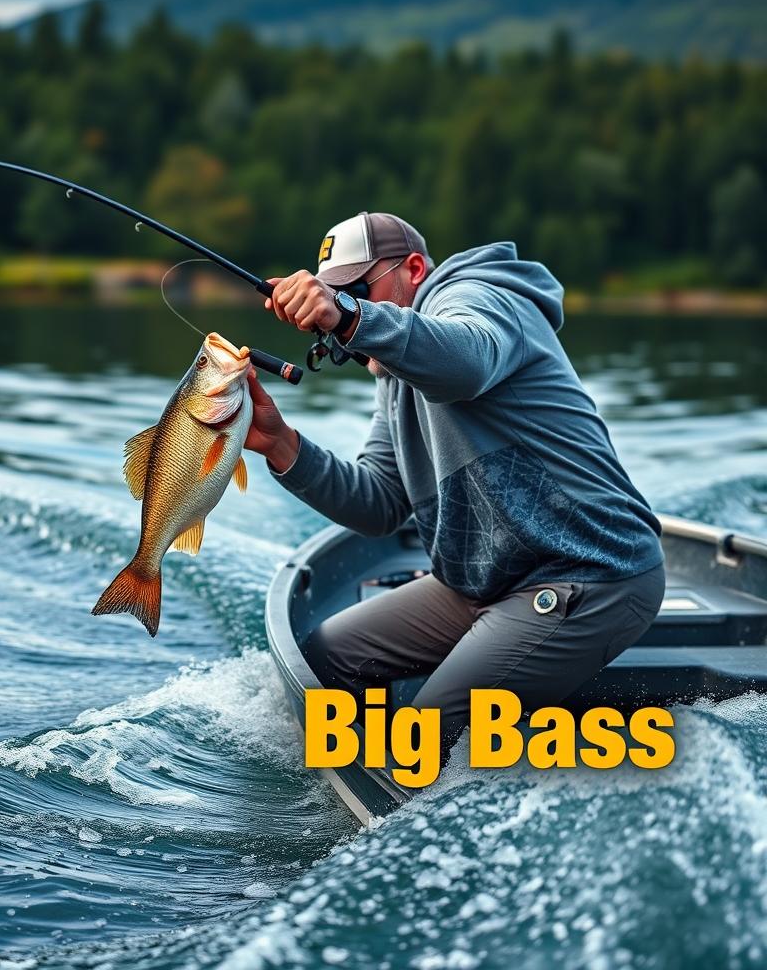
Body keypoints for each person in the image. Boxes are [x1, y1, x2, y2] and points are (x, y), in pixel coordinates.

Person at [244, 211, 666, 762]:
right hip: (483, 583)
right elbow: (379, 503)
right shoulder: (395, 375)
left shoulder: (481, 295)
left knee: (417, 740)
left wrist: (349, 318)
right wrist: (282, 446)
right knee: (324, 657)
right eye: (332, 297)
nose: (336, 316)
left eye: (355, 289)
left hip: (592, 571)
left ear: (413, 269)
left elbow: (465, 361)